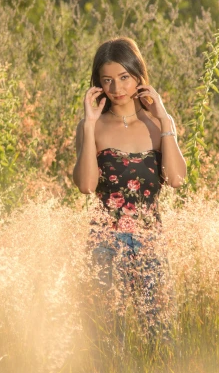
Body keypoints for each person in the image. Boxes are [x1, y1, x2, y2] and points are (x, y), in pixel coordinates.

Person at [73, 37, 187, 334]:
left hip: (150, 241)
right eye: (107, 80)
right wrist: (87, 125)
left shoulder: (157, 124)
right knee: (108, 339)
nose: (117, 89)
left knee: (161, 335)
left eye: (124, 78)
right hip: (105, 244)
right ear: (97, 84)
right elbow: (86, 185)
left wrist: (165, 120)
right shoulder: (93, 127)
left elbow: (176, 179)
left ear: (139, 76)